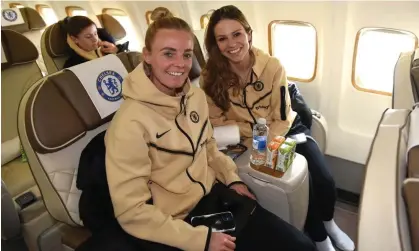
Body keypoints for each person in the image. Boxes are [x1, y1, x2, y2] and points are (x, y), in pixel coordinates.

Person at [102, 9, 317, 251]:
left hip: (215, 196)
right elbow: (131, 211)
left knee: (301, 246)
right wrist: (200, 240)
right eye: (168, 54)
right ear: (147, 56)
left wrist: (232, 178)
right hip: (177, 220)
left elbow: (209, 146)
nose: (180, 64)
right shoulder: (128, 124)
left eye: (186, 54)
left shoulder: (193, 96)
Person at [200, 5, 355, 251]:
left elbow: (281, 116)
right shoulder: (210, 77)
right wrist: (250, 135)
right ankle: (320, 237)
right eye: (222, 38)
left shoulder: (272, 66)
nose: (231, 43)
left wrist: (267, 141)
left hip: (286, 130)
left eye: (237, 34)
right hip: (246, 141)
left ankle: (330, 223)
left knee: (322, 176)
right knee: (305, 182)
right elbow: (216, 122)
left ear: (248, 34)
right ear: (215, 43)